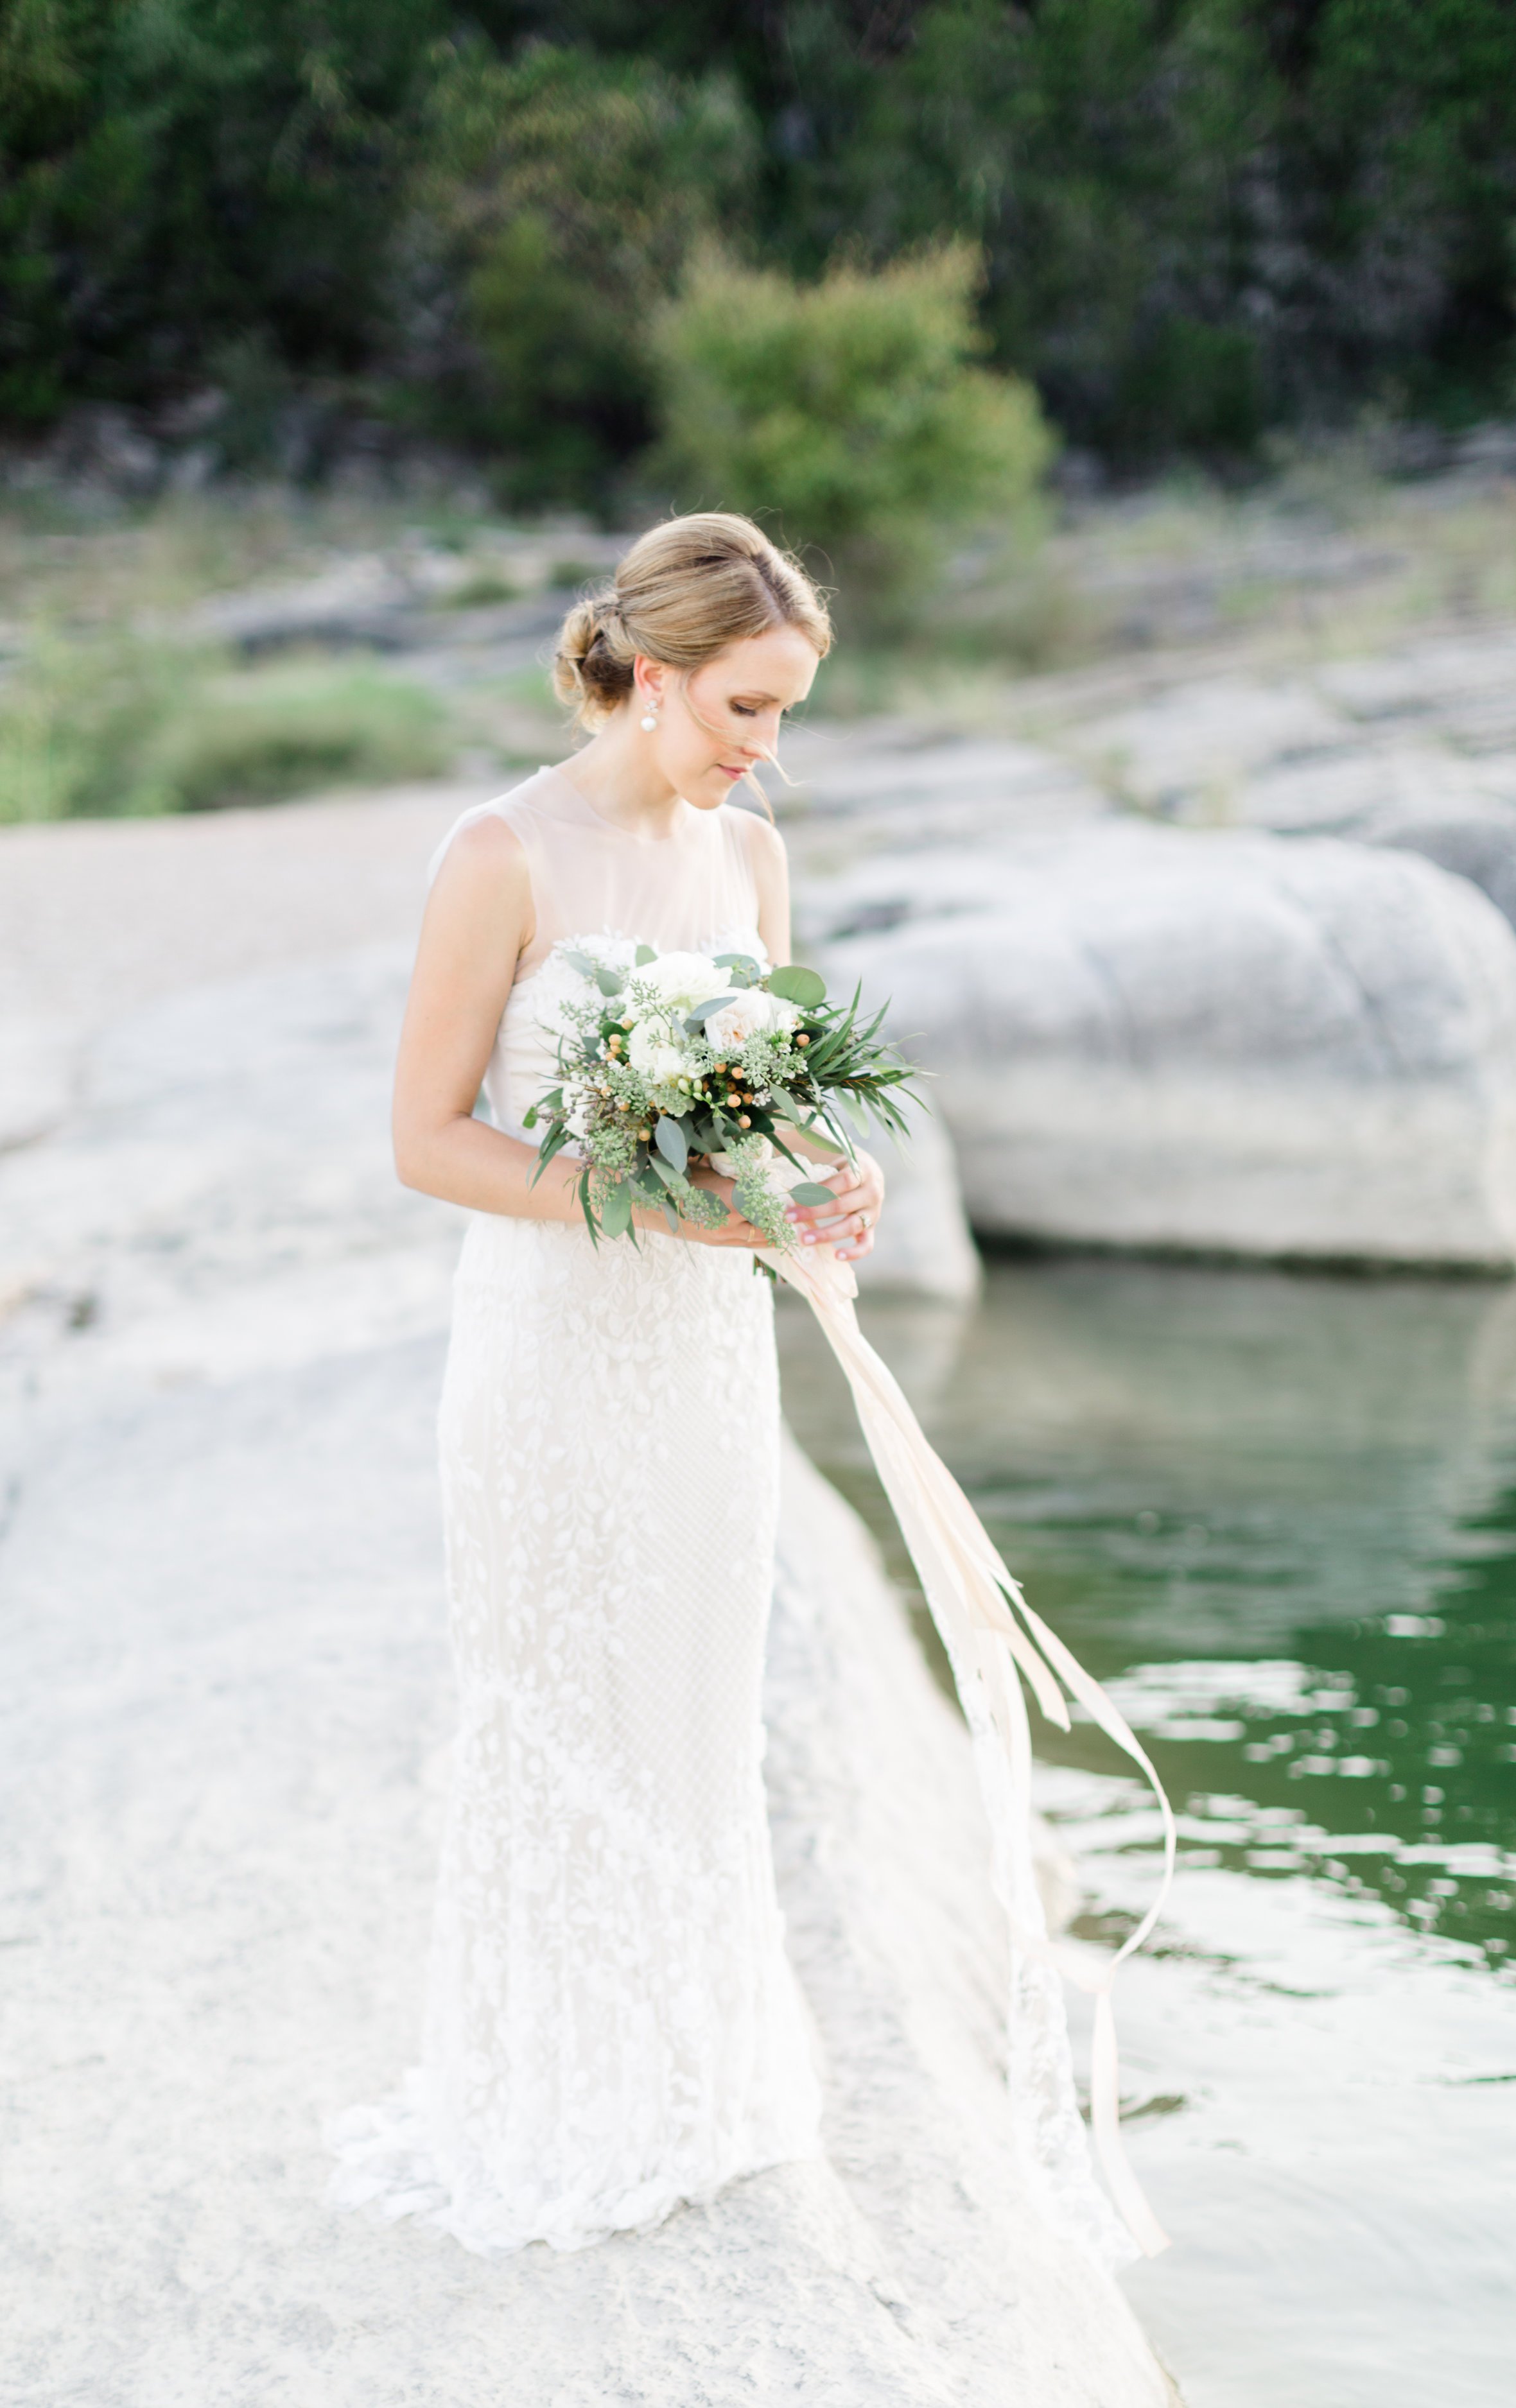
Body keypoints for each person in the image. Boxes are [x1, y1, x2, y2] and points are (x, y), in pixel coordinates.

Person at [326, 512, 885, 2255]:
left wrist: (822, 1179)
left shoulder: (750, 859)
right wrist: (656, 1200)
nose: (760, 744)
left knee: (694, 1701)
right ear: (649, 678)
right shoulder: (502, 854)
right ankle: (547, 2093)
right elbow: (426, 1142)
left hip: (703, 1355)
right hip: (549, 1351)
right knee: (564, 1700)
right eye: (743, 704)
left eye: (784, 712)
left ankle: (684, 2075)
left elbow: (772, 1114)